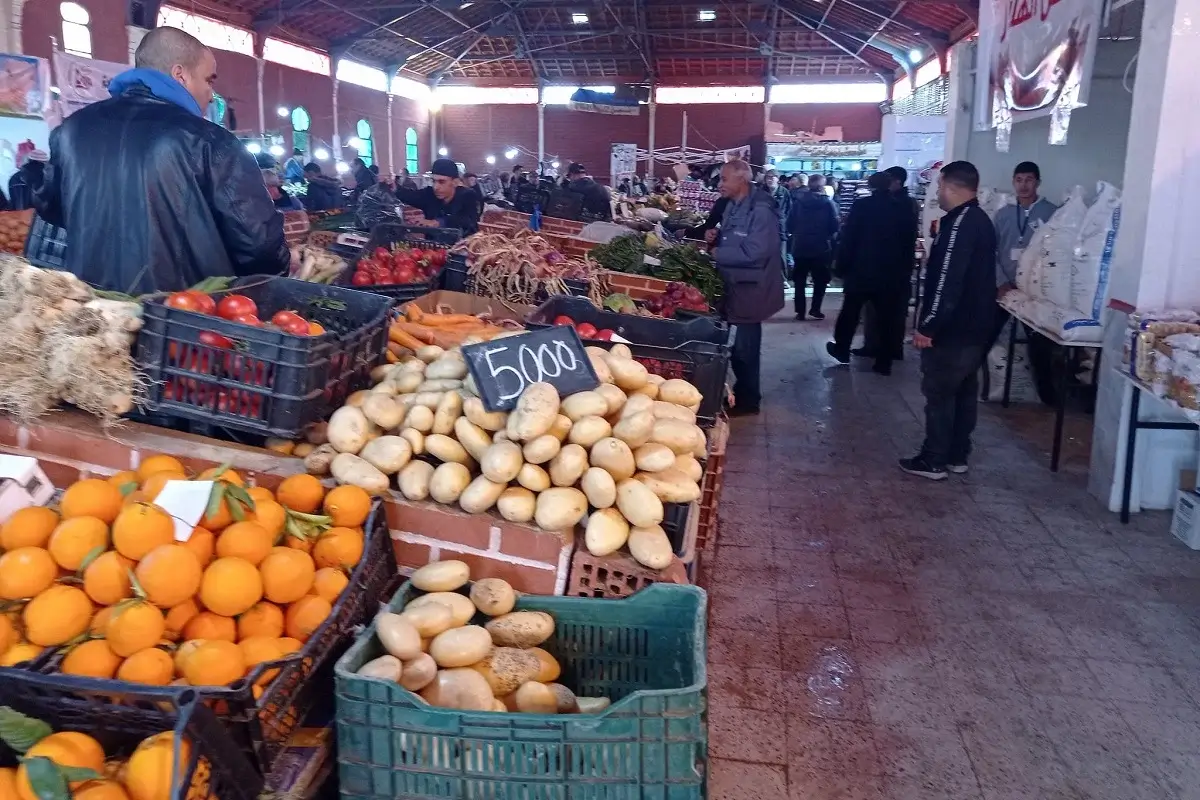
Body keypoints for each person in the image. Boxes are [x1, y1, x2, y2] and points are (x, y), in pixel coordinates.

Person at [34, 26, 288, 295]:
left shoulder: (70, 130)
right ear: (180, 75)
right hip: (182, 317)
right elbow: (258, 242)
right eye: (209, 80)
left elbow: (52, 209)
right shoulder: (210, 140)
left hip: (96, 314)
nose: (211, 94)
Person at [899, 161, 997, 480]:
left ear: (950, 186)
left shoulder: (960, 225)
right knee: (964, 392)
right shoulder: (976, 220)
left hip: (955, 330)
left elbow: (945, 280)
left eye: (939, 186)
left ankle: (934, 459)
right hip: (974, 327)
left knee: (940, 393)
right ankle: (957, 455)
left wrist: (928, 326)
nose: (937, 193)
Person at [709, 160, 785, 416]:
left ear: (741, 180)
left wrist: (718, 253)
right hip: (735, 284)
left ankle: (749, 400)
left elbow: (755, 251)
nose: (720, 184)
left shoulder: (761, 209)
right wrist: (715, 236)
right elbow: (736, 236)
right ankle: (741, 394)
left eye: (724, 179)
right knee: (738, 346)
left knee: (745, 348)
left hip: (751, 288)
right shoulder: (735, 204)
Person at [826, 170, 918, 376]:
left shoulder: (863, 206)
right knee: (887, 317)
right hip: (891, 273)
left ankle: (842, 349)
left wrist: (840, 266)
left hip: (862, 270)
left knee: (850, 313)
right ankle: (884, 361)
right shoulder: (903, 208)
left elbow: (849, 238)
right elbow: (908, 242)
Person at [857, 166, 920, 361]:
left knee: (890, 310)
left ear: (897, 182)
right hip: (893, 265)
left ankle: (888, 348)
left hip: (891, 266)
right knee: (883, 309)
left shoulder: (903, 204)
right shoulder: (905, 203)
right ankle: (878, 346)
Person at [787, 174, 839, 320]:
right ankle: (815, 309)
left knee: (799, 280)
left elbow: (789, 224)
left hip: (801, 245)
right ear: (823, 186)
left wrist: (798, 233)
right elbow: (834, 226)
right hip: (821, 247)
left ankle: (800, 311)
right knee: (820, 280)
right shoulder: (828, 204)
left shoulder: (798, 203)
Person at [392, 157, 480, 234]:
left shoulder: (468, 196)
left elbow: (468, 220)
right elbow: (410, 195)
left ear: (455, 182)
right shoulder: (429, 195)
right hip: (434, 250)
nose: (436, 187)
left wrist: (438, 222)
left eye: (442, 182)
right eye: (433, 181)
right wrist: (394, 187)